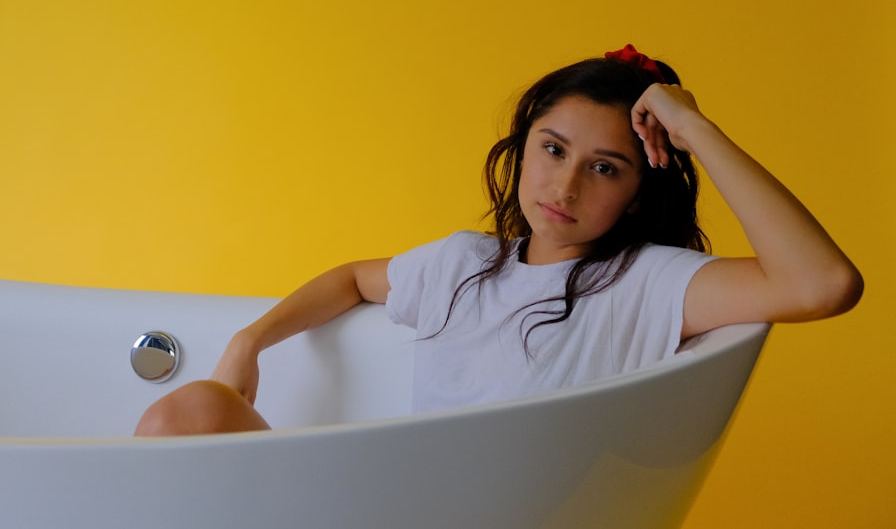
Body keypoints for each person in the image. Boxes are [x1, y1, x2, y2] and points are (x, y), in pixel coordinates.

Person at [134, 44, 863, 436]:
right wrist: (249, 342)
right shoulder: (465, 261)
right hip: (384, 501)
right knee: (188, 409)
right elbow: (352, 280)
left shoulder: (648, 282)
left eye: (603, 168)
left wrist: (695, 130)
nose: (566, 186)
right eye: (552, 150)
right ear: (522, 149)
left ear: (641, 187)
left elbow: (823, 283)